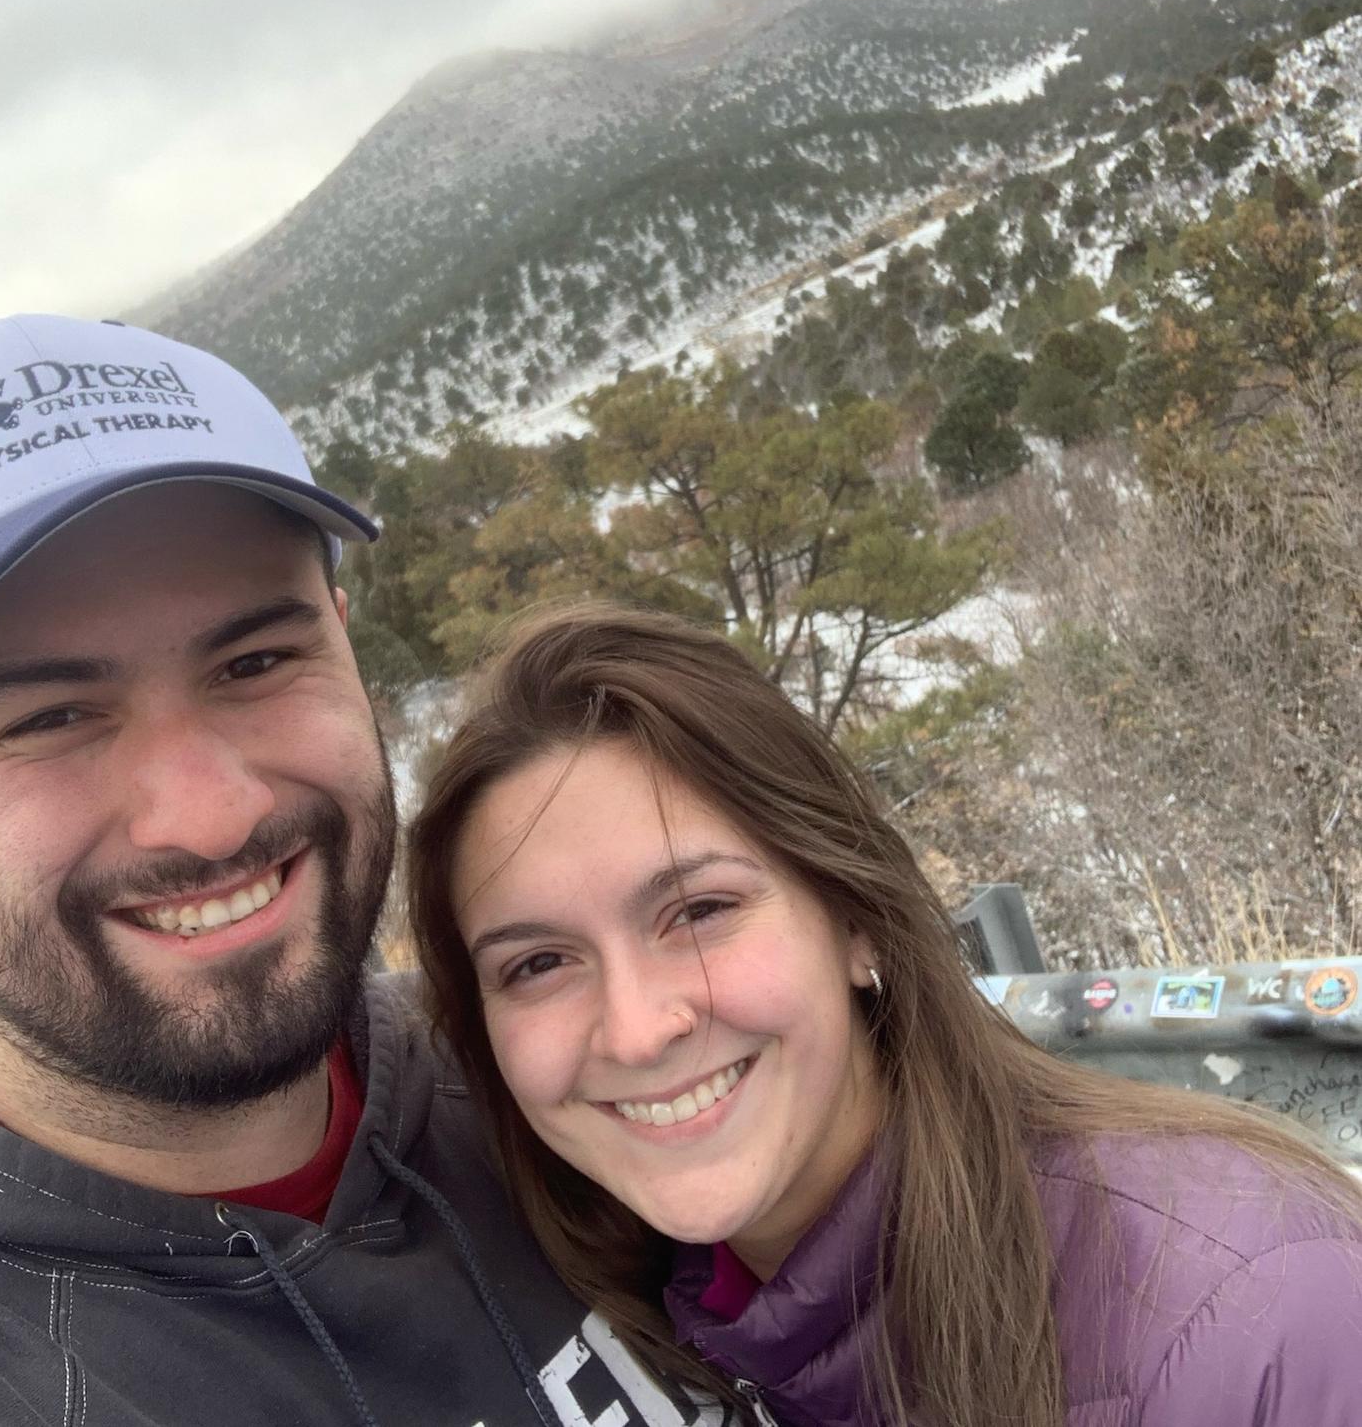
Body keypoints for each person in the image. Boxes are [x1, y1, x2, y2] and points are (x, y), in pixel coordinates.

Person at [0, 317, 717, 1427]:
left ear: (346, 648)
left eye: (256, 662)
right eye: (53, 716)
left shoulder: (563, 1082)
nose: (212, 815)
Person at [408, 603, 1362, 1427]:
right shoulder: (666, 1325)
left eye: (699, 912)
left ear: (856, 917)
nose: (635, 1029)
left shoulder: (1250, 1317)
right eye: (538, 964)